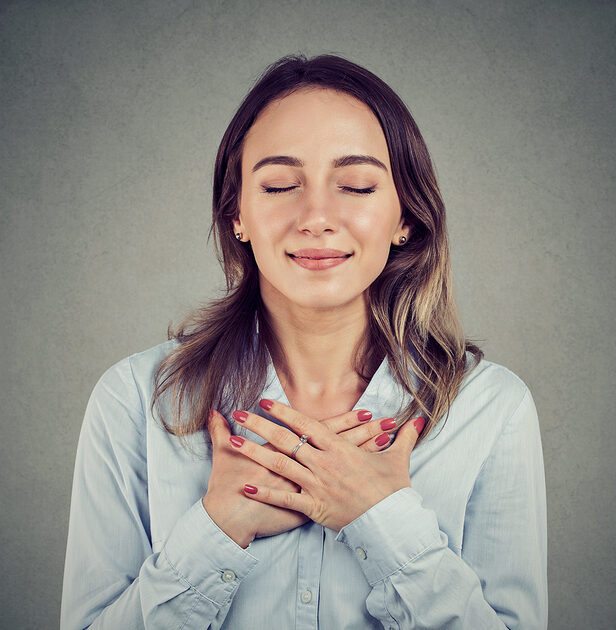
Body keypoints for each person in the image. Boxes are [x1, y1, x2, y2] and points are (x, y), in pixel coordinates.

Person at [61, 54, 547, 629]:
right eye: (280, 184)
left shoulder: (491, 409)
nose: (316, 216)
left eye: (356, 185)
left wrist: (383, 520)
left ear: (404, 217)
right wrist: (213, 533)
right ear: (237, 212)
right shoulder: (134, 401)